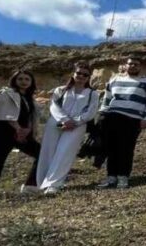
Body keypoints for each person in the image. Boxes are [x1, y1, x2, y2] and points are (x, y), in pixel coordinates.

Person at [0, 69, 41, 199]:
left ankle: (31, 185)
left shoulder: (28, 98)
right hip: (4, 131)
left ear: (31, 82)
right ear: (14, 80)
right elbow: (4, 113)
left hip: (22, 133)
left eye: (27, 79)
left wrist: (28, 130)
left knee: (41, 153)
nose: (23, 82)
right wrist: (18, 129)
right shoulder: (6, 93)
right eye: (20, 79)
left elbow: (32, 117)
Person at [34, 63, 99, 195]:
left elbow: (91, 111)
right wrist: (65, 120)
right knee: (48, 151)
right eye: (78, 73)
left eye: (85, 74)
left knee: (65, 152)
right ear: (73, 74)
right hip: (56, 123)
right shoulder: (61, 90)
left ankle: (54, 184)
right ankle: (41, 182)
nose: (81, 76)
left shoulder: (92, 94)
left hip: (77, 126)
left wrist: (75, 122)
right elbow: (54, 106)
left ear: (89, 77)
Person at [98, 57, 146, 189]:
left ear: (140, 66)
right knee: (111, 148)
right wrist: (102, 114)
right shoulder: (114, 79)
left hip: (132, 119)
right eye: (130, 64)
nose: (133, 66)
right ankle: (111, 177)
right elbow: (106, 99)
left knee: (126, 149)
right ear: (126, 65)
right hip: (112, 117)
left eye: (136, 64)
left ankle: (123, 177)